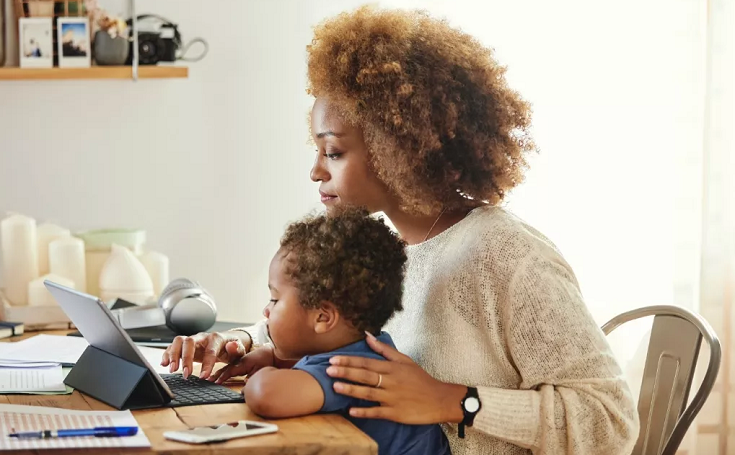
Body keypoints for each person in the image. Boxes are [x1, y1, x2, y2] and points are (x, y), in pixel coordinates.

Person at [161, 6, 638, 454]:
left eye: (333, 152)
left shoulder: (508, 256)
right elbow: (334, 329)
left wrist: (456, 401)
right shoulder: (389, 249)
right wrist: (248, 343)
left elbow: (612, 421)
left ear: (400, 147)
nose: (315, 172)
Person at [235, 207, 449, 455]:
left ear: (322, 317)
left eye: (274, 299)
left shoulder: (353, 369)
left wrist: (260, 378)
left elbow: (266, 394)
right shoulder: (371, 348)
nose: (266, 311)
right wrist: (273, 358)